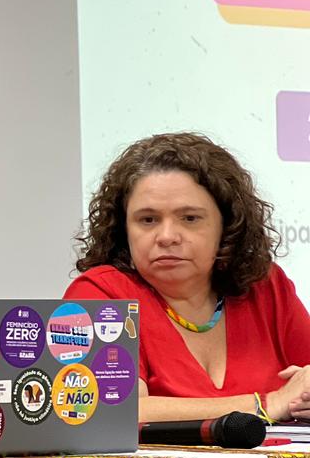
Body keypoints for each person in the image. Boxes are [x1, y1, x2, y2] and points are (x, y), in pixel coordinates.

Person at [65, 132, 310, 423]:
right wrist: (268, 403)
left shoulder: (265, 286)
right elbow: (110, 410)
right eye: (148, 220)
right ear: (124, 229)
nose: (167, 236)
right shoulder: (100, 293)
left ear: (227, 226)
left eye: (190, 218)